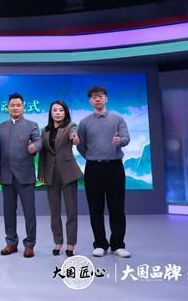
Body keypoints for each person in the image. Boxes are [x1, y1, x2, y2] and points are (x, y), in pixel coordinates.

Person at [77, 86, 131, 258]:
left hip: (115, 167)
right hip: (93, 168)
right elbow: (80, 146)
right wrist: (92, 157)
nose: (97, 99)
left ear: (106, 98)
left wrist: (119, 141)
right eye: (93, 97)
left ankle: (118, 244)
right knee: (95, 208)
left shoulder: (118, 119)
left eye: (100, 96)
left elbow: (126, 138)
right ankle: (100, 243)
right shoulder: (84, 122)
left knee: (117, 207)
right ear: (90, 101)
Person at [0, 93, 42, 258]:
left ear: (23, 107)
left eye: (18, 105)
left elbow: (39, 141)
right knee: (8, 212)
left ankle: (30, 244)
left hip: (25, 175)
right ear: (7, 108)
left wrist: (34, 147)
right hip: (6, 175)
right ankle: (11, 242)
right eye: (12, 105)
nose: (15, 108)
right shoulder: (1, 127)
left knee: (29, 212)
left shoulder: (31, 125)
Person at [38, 100, 83, 257]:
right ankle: (58, 241)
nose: (57, 113)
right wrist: (41, 173)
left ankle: (71, 243)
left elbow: (73, 134)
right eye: (55, 110)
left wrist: (75, 138)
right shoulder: (44, 131)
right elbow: (43, 154)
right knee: (54, 211)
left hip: (68, 173)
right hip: (50, 174)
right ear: (50, 113)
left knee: (71, 211)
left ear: (65, 113)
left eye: (61, 110)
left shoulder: (70, 126)